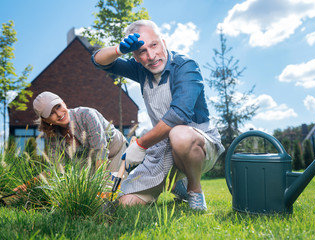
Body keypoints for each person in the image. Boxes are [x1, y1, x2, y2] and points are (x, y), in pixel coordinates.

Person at [92, 20, 224, 211]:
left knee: (179, 134)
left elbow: (178, 115)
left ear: (163, 41)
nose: (151, 56)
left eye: (154, 45)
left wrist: (140, 144)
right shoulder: (140, 69)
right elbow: (98, 61)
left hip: (199, 144)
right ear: (135, 58)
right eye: (142, 52)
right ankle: (175, 182)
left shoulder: (186, 67)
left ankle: (194, 189)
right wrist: (118, 50)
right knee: (126, 204)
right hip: (161, 149)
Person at [33, 91, 127, 176]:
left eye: (58, 106)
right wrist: (29, 185)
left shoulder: (87, 115)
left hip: (115, 153)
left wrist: (98, 186)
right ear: (45, 120)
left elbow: (100, 152)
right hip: (92, 161)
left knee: (109, 190)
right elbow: (57, 168)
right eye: (51, 113)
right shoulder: (52, 136)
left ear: (63, 102)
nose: (59, 114)